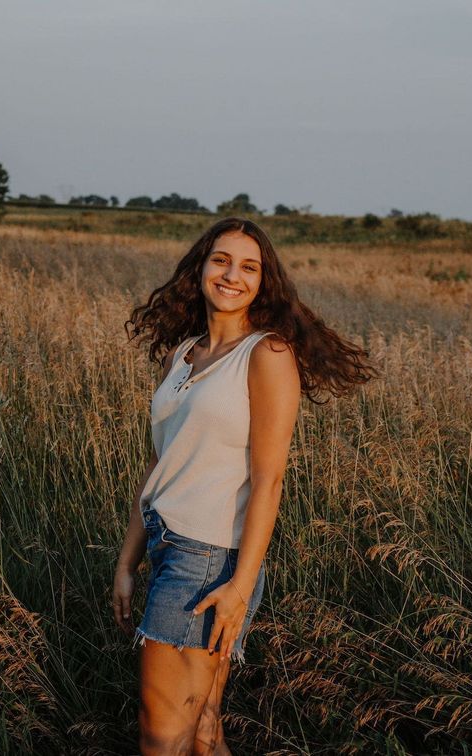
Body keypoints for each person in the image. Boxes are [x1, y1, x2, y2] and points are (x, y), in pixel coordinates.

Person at [113, 216, 379, 755]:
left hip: (208, 560)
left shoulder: (267, 354)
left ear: (264, 282)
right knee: (203, 731)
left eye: (249, 267)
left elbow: (269, 480)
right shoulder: (182, 353)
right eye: (221, 260)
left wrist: (240, 585)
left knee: (160, 736)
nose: (232, 274)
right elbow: (158, 465)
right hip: (169, 542)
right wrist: (127, 559)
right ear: (200, 268)